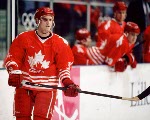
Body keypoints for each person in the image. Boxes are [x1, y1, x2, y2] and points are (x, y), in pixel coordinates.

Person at [4, 7, 79, 120]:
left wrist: (68, 83)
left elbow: (63, 68)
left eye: (50, 19)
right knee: (22, 118)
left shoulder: (61, 43)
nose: (48, 23)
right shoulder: (23, 38)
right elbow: (13, 58)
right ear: (37, 21)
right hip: (24, 85)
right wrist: (13, 72)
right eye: (45, 19)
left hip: (47, 88)